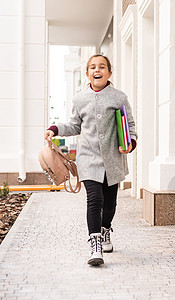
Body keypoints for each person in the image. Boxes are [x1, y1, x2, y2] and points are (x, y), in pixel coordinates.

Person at [44, 54, 137, 266]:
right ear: (87, 73)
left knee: (110, 204)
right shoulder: (80, 99)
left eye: (102, 66)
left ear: (109, 73)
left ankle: (105, 230)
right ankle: (95, 244)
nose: (98, 70)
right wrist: (55, 129)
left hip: (113, 159)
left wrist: (131, 142)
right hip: (88, 158)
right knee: (94, 200)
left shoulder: (119, 97)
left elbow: (130, 125)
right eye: (93, 67)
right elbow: (74, 126)